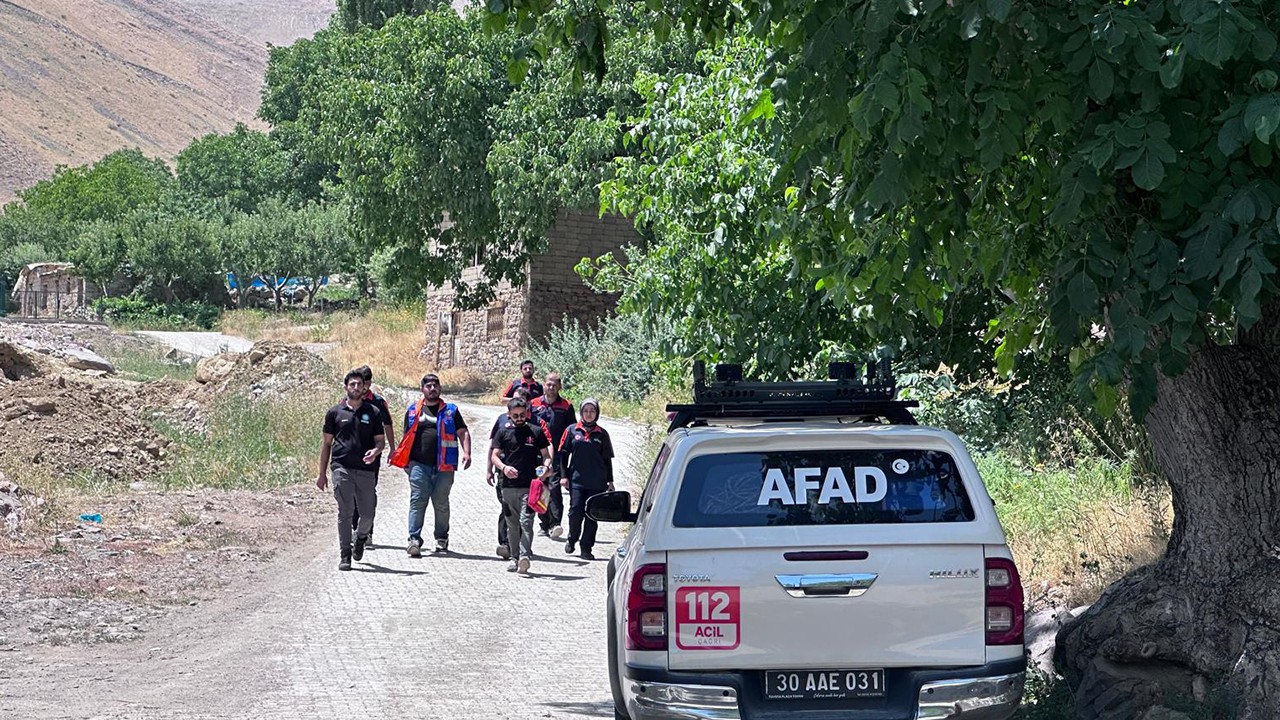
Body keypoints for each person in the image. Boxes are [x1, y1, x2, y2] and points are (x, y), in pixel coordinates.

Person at [389, 373, 472, 557]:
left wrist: (467, 452)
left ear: (440, 388)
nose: (432, 388)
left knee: (441, 502)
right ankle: (414, 540)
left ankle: (441, 537)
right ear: (422, 389)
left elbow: (463, 432)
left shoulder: (451, 410)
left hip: (445, 466)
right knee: (418, 501)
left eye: (435, 385)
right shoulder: (412, 411)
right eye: (428, 386)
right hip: (418, 465)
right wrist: (405, 461)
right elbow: (407, 437)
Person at [317, 370, 387, 571]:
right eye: (352, 384)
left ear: (365, 387)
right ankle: (345, 554)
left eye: (359, 384)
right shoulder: (334, 413)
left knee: (368, 514)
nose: (356, 387)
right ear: (346, 387)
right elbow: (327, 444)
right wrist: (322, 474)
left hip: (366, 470)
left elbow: (380, 441)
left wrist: (375, 451)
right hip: (341, 467)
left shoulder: (373, 413)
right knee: (345, 512)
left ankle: (361, 537)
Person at [490, 397, 552, 576]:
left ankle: (525, 557)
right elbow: (494, 455)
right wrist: (504, 468)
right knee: (512, 525)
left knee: (526, 522)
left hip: (530, 487)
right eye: (515, 415)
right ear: (509, 415)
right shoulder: (502, 432)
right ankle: (514, 558)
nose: (519, 418)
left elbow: (546, 456)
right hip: (508, 487)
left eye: (522, 415)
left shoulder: (536, 432)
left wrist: (545, 468)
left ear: (527, 413)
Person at [558, 398, 615, 560]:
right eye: (586, 411)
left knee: (592, 515)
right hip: (576, 480)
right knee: (575, 512)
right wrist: (563, 476)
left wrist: (610, 481)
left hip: (597, 482)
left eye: (592, 411)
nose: (589, 414)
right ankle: (572, 537)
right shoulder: (571, 430)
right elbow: (563, 455)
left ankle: (586, 547)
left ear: (597, 413)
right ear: (581, 412)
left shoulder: (602, 434)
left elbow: (607, 460)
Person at [350, 365, 394, 548]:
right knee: (351, 493)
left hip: (372, 456)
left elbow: (388, 424)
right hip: (351, 455)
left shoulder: (378, 402)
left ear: (368, 383)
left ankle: (367, 532)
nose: (360, 387)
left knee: (367, 493)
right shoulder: (348, 401)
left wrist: (392, 448)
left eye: (364, 383)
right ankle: (355, 529)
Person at [487, 386, 531, 559]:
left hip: (527, 478)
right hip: (505, 476)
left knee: (525, 517)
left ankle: (521, 548)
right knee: (507, 511)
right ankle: (506, 543)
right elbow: (493, 450)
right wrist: (490, 470)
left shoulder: (535, 426)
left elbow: (545, 448)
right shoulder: (501, 423)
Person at [530, 372, 575, 539]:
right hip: (537, 454)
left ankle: (555, 523)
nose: (551, 387)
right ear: (544, 385)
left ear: (560, 387)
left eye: (555, 384)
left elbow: (572, 430)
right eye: (549, 384)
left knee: (554, 488)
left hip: (557, 454)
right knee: (540, 487)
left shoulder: (566, 406)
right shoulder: (533, 405)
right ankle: (544, 522)